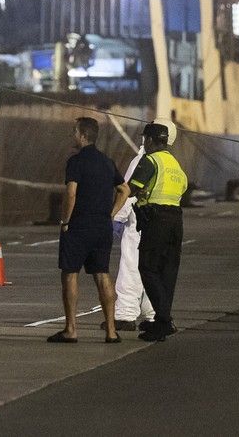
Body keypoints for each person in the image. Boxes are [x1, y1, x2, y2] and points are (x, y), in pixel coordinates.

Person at [48, 117, 127, 344]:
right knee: (102, 274)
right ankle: (111, 331)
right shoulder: (107, 162)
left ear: (83, 135)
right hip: (102, 227)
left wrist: (65, 220)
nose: (72, 135)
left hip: (79, 227)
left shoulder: (76, 162)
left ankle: (71, 329)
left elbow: (71, 193)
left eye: (74, 131)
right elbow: (124, 189)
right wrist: (111, 214)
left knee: (70, 274)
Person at [122, 119, 188, 342]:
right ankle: (160, 323)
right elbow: (183, 188)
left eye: (145, 139)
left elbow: (130, 189)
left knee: (147, 268)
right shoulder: (175, 164)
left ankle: (164, 318)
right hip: (175, 221)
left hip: (155, 221)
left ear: (149, 140)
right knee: (167, 272)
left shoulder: (149, 161)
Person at [100, 120, 169, 332]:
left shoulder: (143, 161)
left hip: (139, 224)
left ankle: (125, 315)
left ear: (147, 138)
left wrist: (116, 219)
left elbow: (128, 193)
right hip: (162, 223)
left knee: (131, 268)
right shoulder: (168, 161)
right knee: (153, 271)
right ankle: (151, 315)